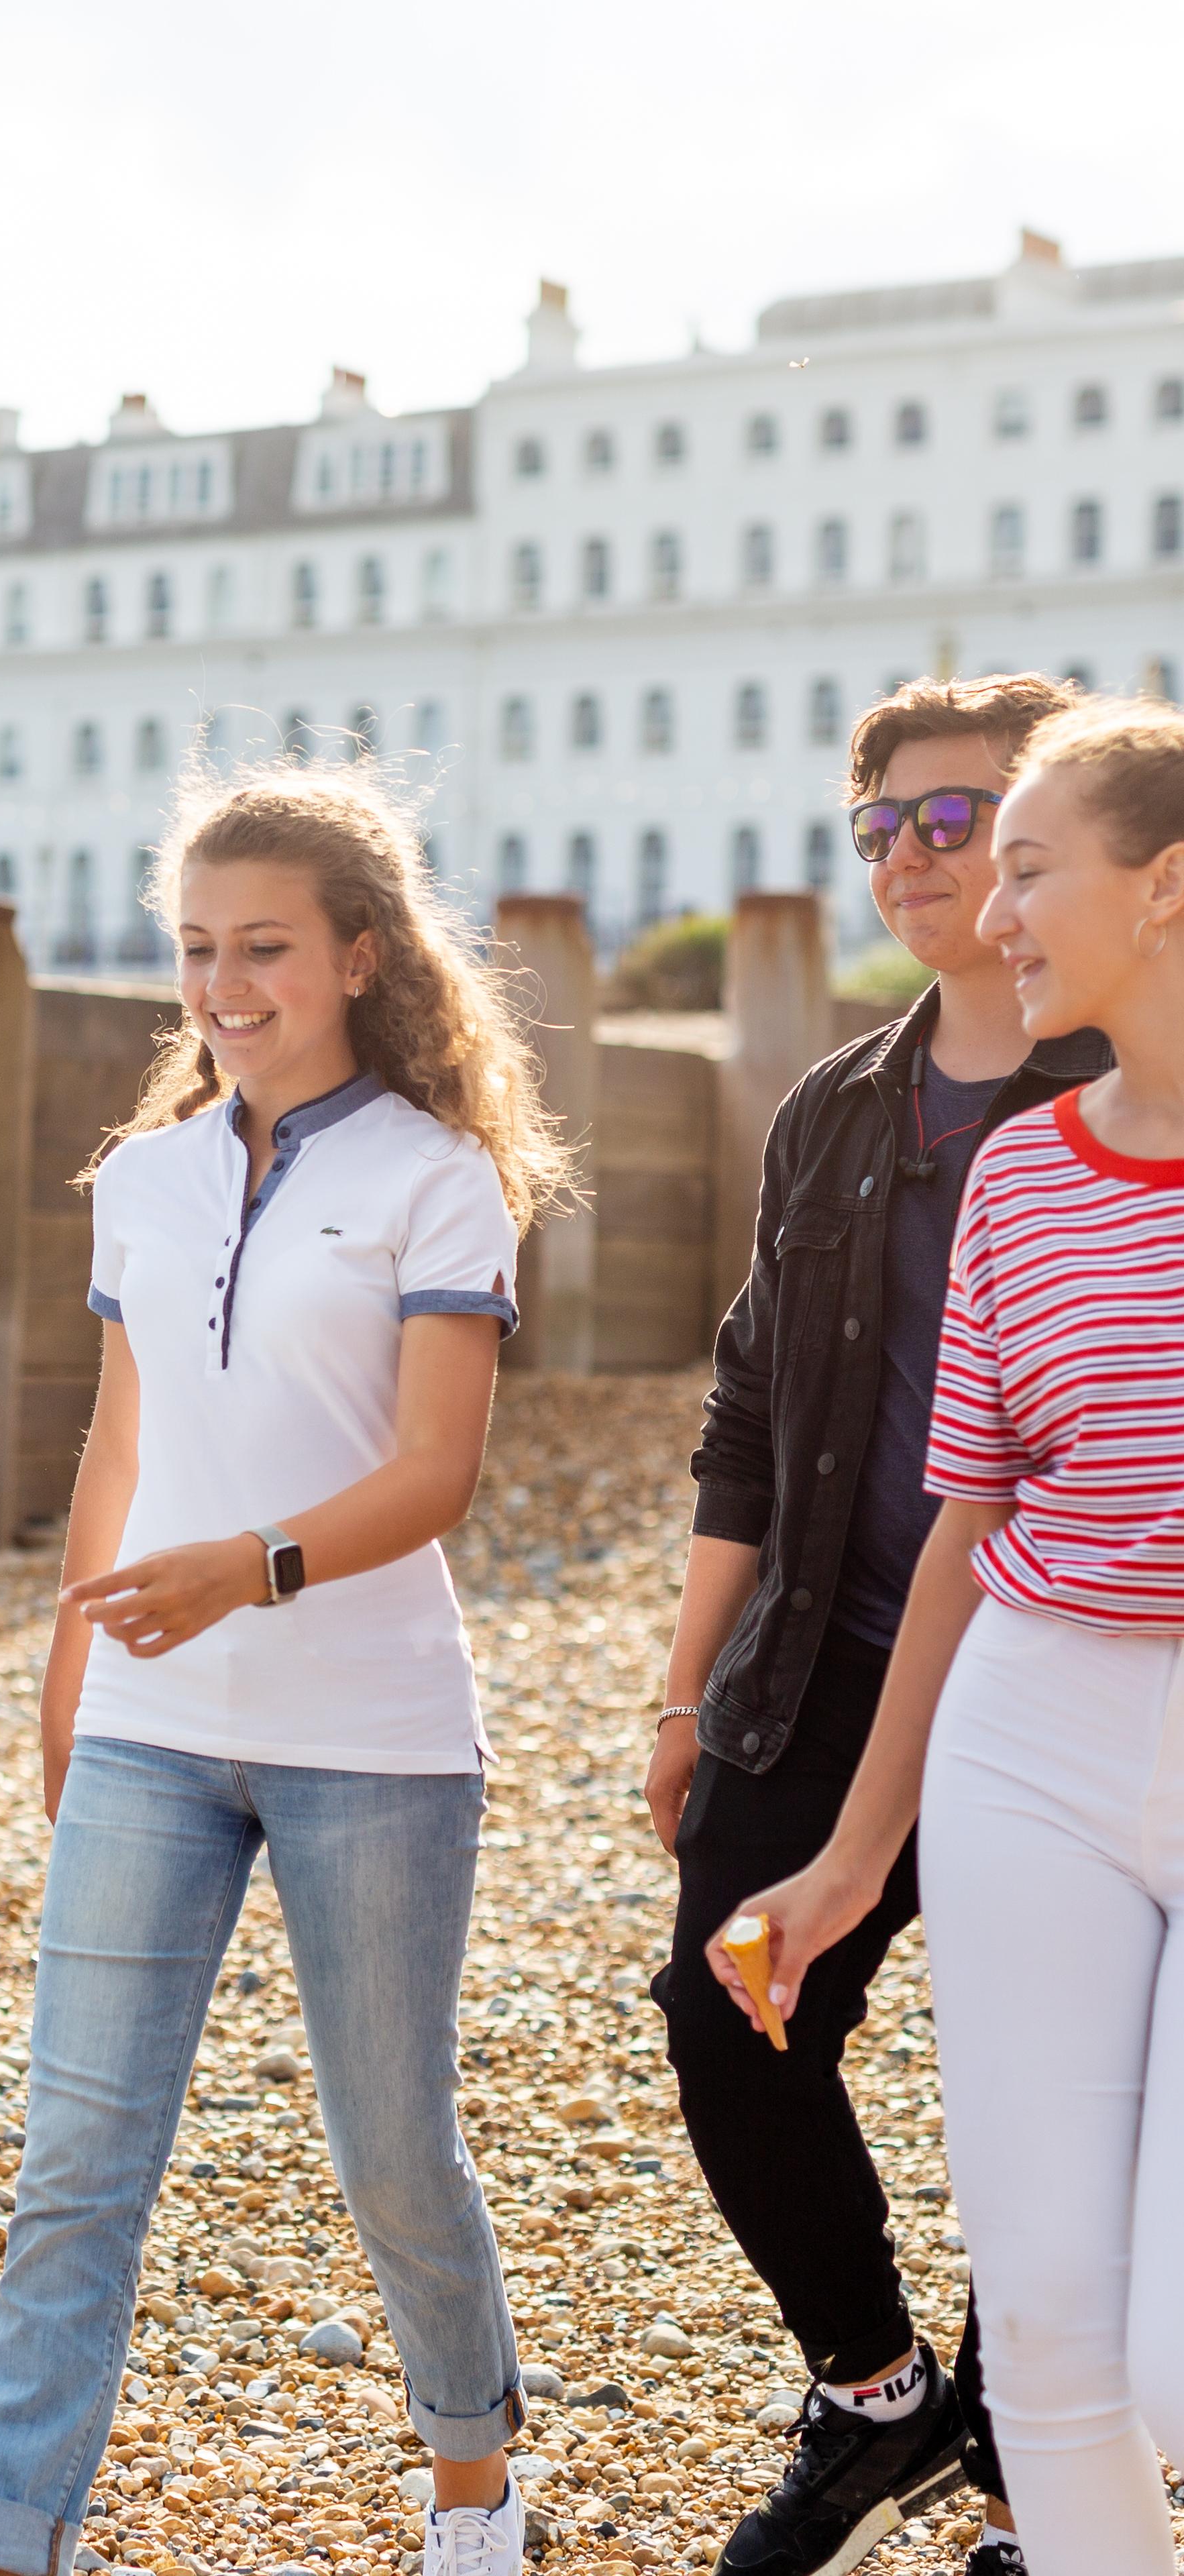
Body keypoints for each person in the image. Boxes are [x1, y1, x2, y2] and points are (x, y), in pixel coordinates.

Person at [0, 765, 565, 2576]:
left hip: (372, 1741)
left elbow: (435, 1471)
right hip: (148, 1731)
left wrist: (251, 1569)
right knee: (78, 2154)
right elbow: (116, 1454)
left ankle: (470, 2477)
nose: (226, 983)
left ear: (360, 956)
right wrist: (69, 1674)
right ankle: (7, 2531)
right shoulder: (139, 1180)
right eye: (199, 948)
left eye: (266, 947)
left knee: (391, 2149)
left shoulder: (441, 1180)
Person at [710, 697, 1184, 2576]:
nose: (992, 910)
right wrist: (850, 1854)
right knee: (1054, 2343)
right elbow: (971, 1541)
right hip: (1032, 1744)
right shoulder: (1024, 1173)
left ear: (1168, 890)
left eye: (1031, 867)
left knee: (1170, 2366)